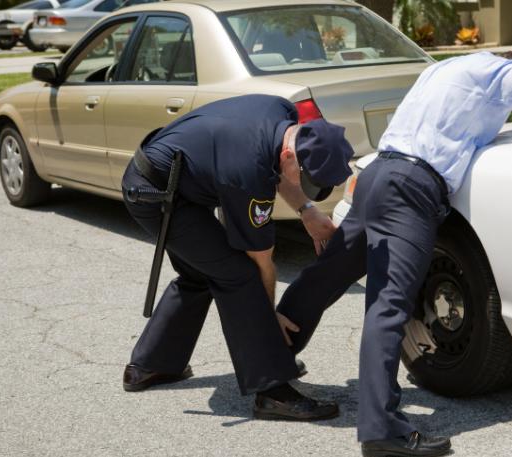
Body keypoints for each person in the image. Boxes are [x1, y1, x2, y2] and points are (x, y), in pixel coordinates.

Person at [276, 51, 512, 457]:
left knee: (329, 273)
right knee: (389, 304)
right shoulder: (499, 70)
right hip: (410, 187)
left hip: (378, 173)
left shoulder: (442, 69)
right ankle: (381, 429)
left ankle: (272, 358)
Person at [120, 94, 353, 421]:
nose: (305, 185)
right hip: (154, 194)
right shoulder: (248, 170)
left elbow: (282, 170)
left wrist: (307, 211)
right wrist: (268, 321)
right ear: (291, 152)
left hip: (177, 180)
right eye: (306, 178)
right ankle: (272, 390)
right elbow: (260, 259)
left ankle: (150, 366)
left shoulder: (281, 111)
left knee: (201, 272)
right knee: (239, 275)